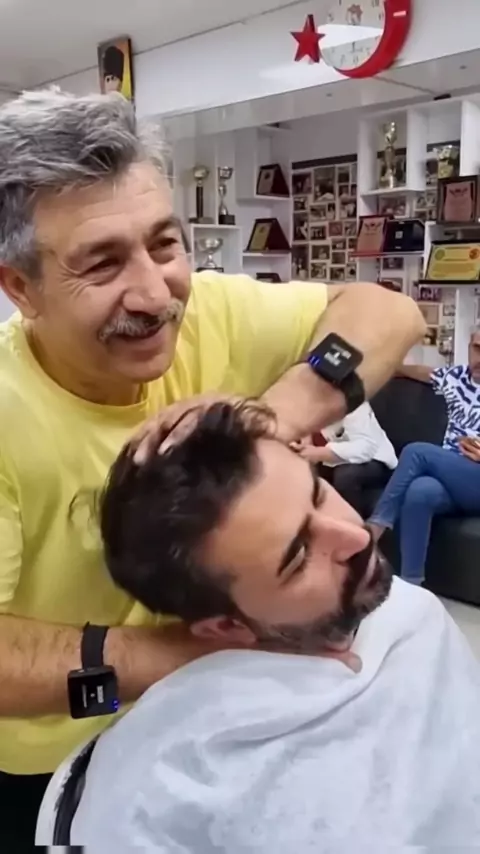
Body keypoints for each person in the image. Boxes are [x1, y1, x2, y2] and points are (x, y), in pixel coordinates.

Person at [0, 87, 424, 847]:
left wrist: (279, 412)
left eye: (165, 245)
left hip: (215, 717)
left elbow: (388, 312)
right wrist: (190, 654)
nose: (154, 293)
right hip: (50, 755)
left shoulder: (211, 312)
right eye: (101, 263)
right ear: (20, 287)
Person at [68, 401, 480, 850]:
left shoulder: (413, 613)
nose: (357, 536)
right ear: (225, 626)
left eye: (319, 494)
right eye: (299, 557)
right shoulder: (167, 785)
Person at [368, 325, 480, 585]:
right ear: (469, 348)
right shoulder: (455, 378)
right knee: (420, 491)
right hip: (453, 476)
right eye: (477, 349)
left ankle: (375, 528)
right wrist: (380, 364)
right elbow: (411, 371)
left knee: (416, 452)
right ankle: (412, 584)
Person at [293, 401, 397, 517]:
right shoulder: (306, 400)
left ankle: (354, 523)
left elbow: (366, 447)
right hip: (331, 459)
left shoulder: (354, 404)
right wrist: (305, 439)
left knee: (345, 476)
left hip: (376, 459)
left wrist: (322, 453)